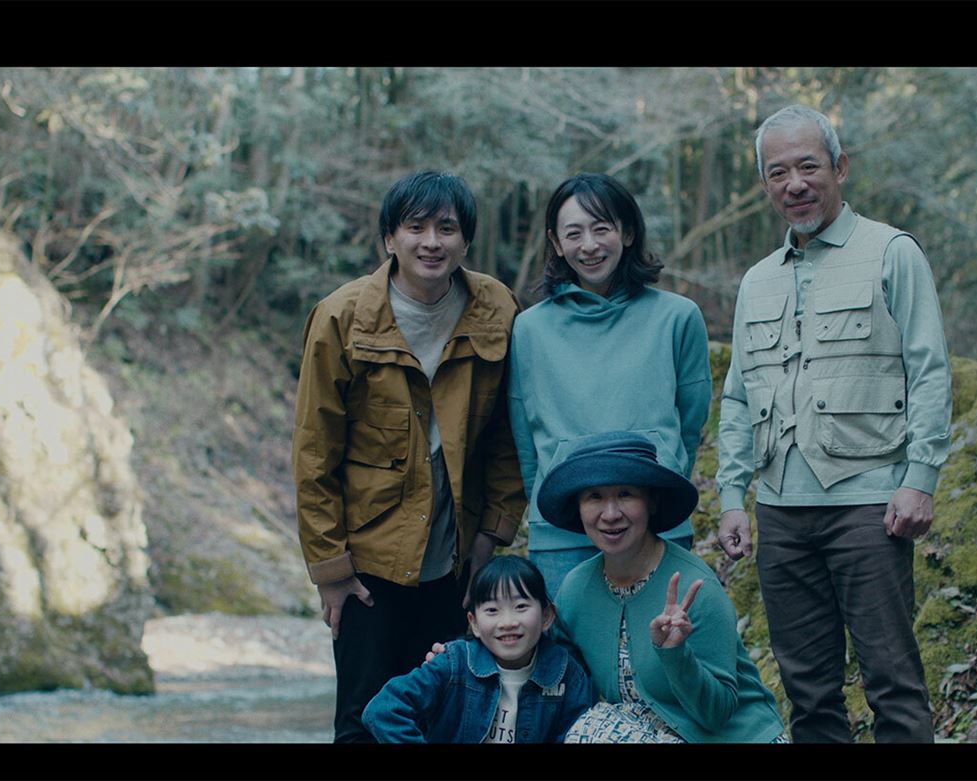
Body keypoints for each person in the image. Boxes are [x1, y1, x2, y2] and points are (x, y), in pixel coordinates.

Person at [716, 105, 952, 743]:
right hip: (781, 512)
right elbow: (738, 396)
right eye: (778, 173)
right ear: (765, 185)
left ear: (840, 168)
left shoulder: (892, 252)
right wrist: (732, 496)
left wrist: (920, 478)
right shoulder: (756, 281)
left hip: (869, 505)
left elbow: (929, 370)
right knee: (808, 692)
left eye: (808, 166)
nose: (794, 184)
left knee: (892, 682)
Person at [292, 170, 526, 742]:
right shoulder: (341, 317)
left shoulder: (496, 308)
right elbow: (314, 452)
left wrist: (489, 539)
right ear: (389, 239)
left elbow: (507, 436)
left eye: (446, 228)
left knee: (448, 717)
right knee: (364, 721)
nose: (431, 242)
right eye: (415, 227)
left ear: (465, 241)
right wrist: (331, 573)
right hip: (368, 563)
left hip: (456, 563)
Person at [508, 173, 712, 597]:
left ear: (628, 232)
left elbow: (690, 422)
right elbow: (525, 436)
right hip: (561, 533)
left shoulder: (677, 317)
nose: (589, 245)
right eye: (574, 233)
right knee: (569, 642)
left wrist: (662, 481)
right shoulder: (529, 329)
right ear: (556, 242)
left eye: (601, 229)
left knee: (662, 636)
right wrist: (549, 504)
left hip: (657, 522)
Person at [540, 431, 788, 744]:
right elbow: (561, 675)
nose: (611, 514)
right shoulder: (576, 589)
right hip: (639, 730)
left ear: (651, 502)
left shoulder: (695, 587)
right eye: (595, 497)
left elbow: (717, 714)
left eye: (626, 494)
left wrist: (675, 654)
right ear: (578, 507)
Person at [361, 555, 594, 743]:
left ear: (546, 616)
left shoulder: (566, 674)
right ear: (474, 623)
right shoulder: (453, 663)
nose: (507, 622)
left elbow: (576, 734)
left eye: (521, 606)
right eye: (492, 610)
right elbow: (384, 710)